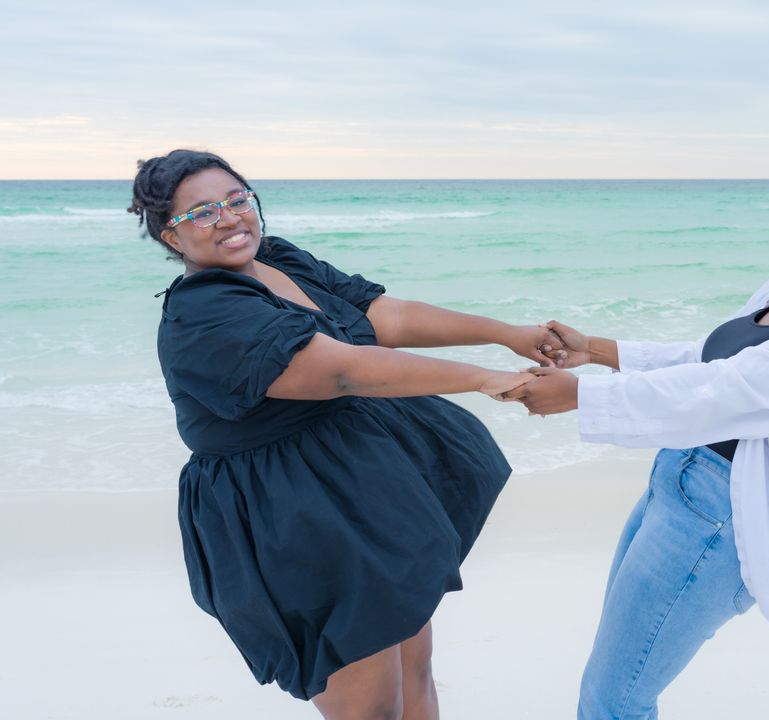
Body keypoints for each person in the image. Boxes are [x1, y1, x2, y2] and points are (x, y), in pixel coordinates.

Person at [506, 131, 769, 719]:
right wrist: (598, 351)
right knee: (611, 686)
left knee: (614, 700)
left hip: (723, 518)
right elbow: (708, 359)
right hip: (677, 482)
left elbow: (722, 392)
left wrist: (580, 396)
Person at [128, 149, 563, 720]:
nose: (230, 218)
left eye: (237, 200)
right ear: (171, 235)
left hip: (359, 480)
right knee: (370, 707)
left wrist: (506, 333)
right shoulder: (205, 312)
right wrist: (482, 378)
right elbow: (341, 370)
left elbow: (385, 317)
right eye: (204, 212)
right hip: (290, 510)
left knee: (415, 668)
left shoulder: (274, 259)